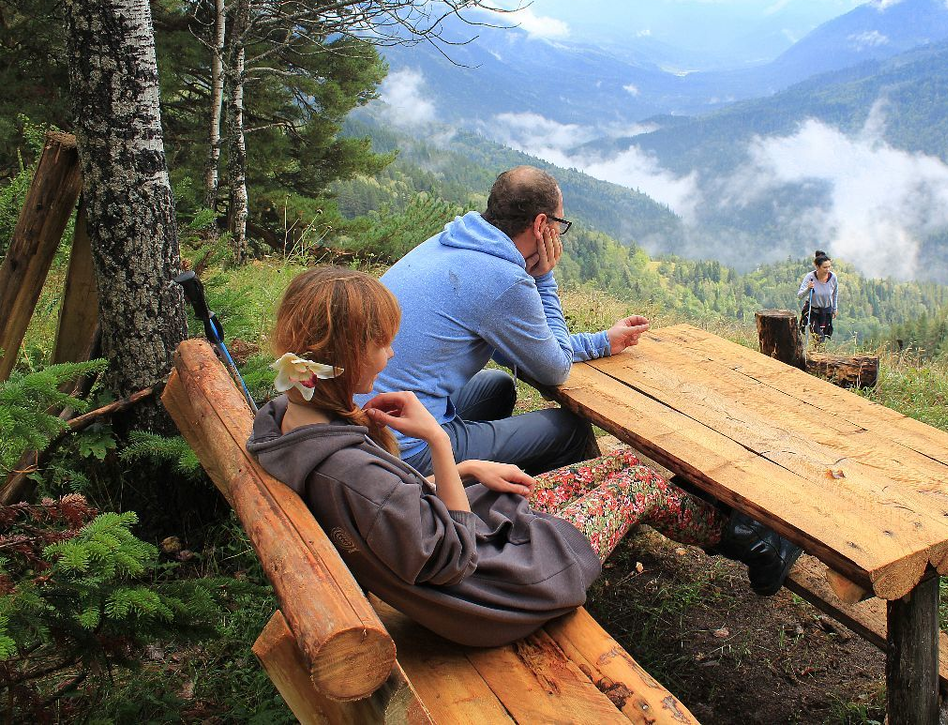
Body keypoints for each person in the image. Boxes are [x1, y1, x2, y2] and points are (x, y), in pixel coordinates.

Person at [248, 267, 803, 647]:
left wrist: (465, 469)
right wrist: (441, 445)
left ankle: (747, 534)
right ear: (348, 351)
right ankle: (758, 547)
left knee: (625, 465)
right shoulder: (351, 472)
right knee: (644, 484)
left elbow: (402, 507)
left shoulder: (290, 410)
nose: (391, 353)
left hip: (470, 550)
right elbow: (450, 557)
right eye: (383, 343)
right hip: (492, 591)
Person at [365, 166, 649, 476]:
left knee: (497, 386)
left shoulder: (455, 240)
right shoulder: (503, 279)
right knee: (571, 429)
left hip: (369, 418)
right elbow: (555, 369)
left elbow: (513, 348)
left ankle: (479, 476)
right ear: (542, 223)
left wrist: (602, 342)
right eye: (560, 223)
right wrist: (543, 277)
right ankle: (535, 505)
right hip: (401, 448)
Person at [798, 250, 838, 342]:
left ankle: (817, 353)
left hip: (826, 312)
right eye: (825, 267)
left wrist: (835, 308)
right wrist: (808, 289)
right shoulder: (810, 277)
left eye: (829, 267)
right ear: (817, 267)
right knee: (819, 337)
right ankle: (817, 353)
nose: (827, 269)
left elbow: (835, 293)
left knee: (822, 337)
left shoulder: (833, 277)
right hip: (812, 312)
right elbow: (800, 295)